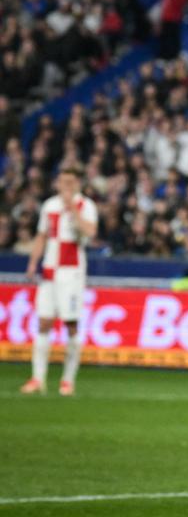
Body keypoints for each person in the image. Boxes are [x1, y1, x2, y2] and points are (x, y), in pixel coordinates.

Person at [21, 165, 98, 396]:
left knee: (71, 324)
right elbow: (42, 235)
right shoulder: (50, 205)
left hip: (71, 273)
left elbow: (90, 232)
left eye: (70, 182)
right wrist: (33, 262)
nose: (65, 186)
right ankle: (37, 378)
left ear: (78, 184)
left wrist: (73, 208)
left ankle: (67, 380)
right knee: (44, 322)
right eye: (62, 181)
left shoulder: (86, 206)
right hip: (49, 271)